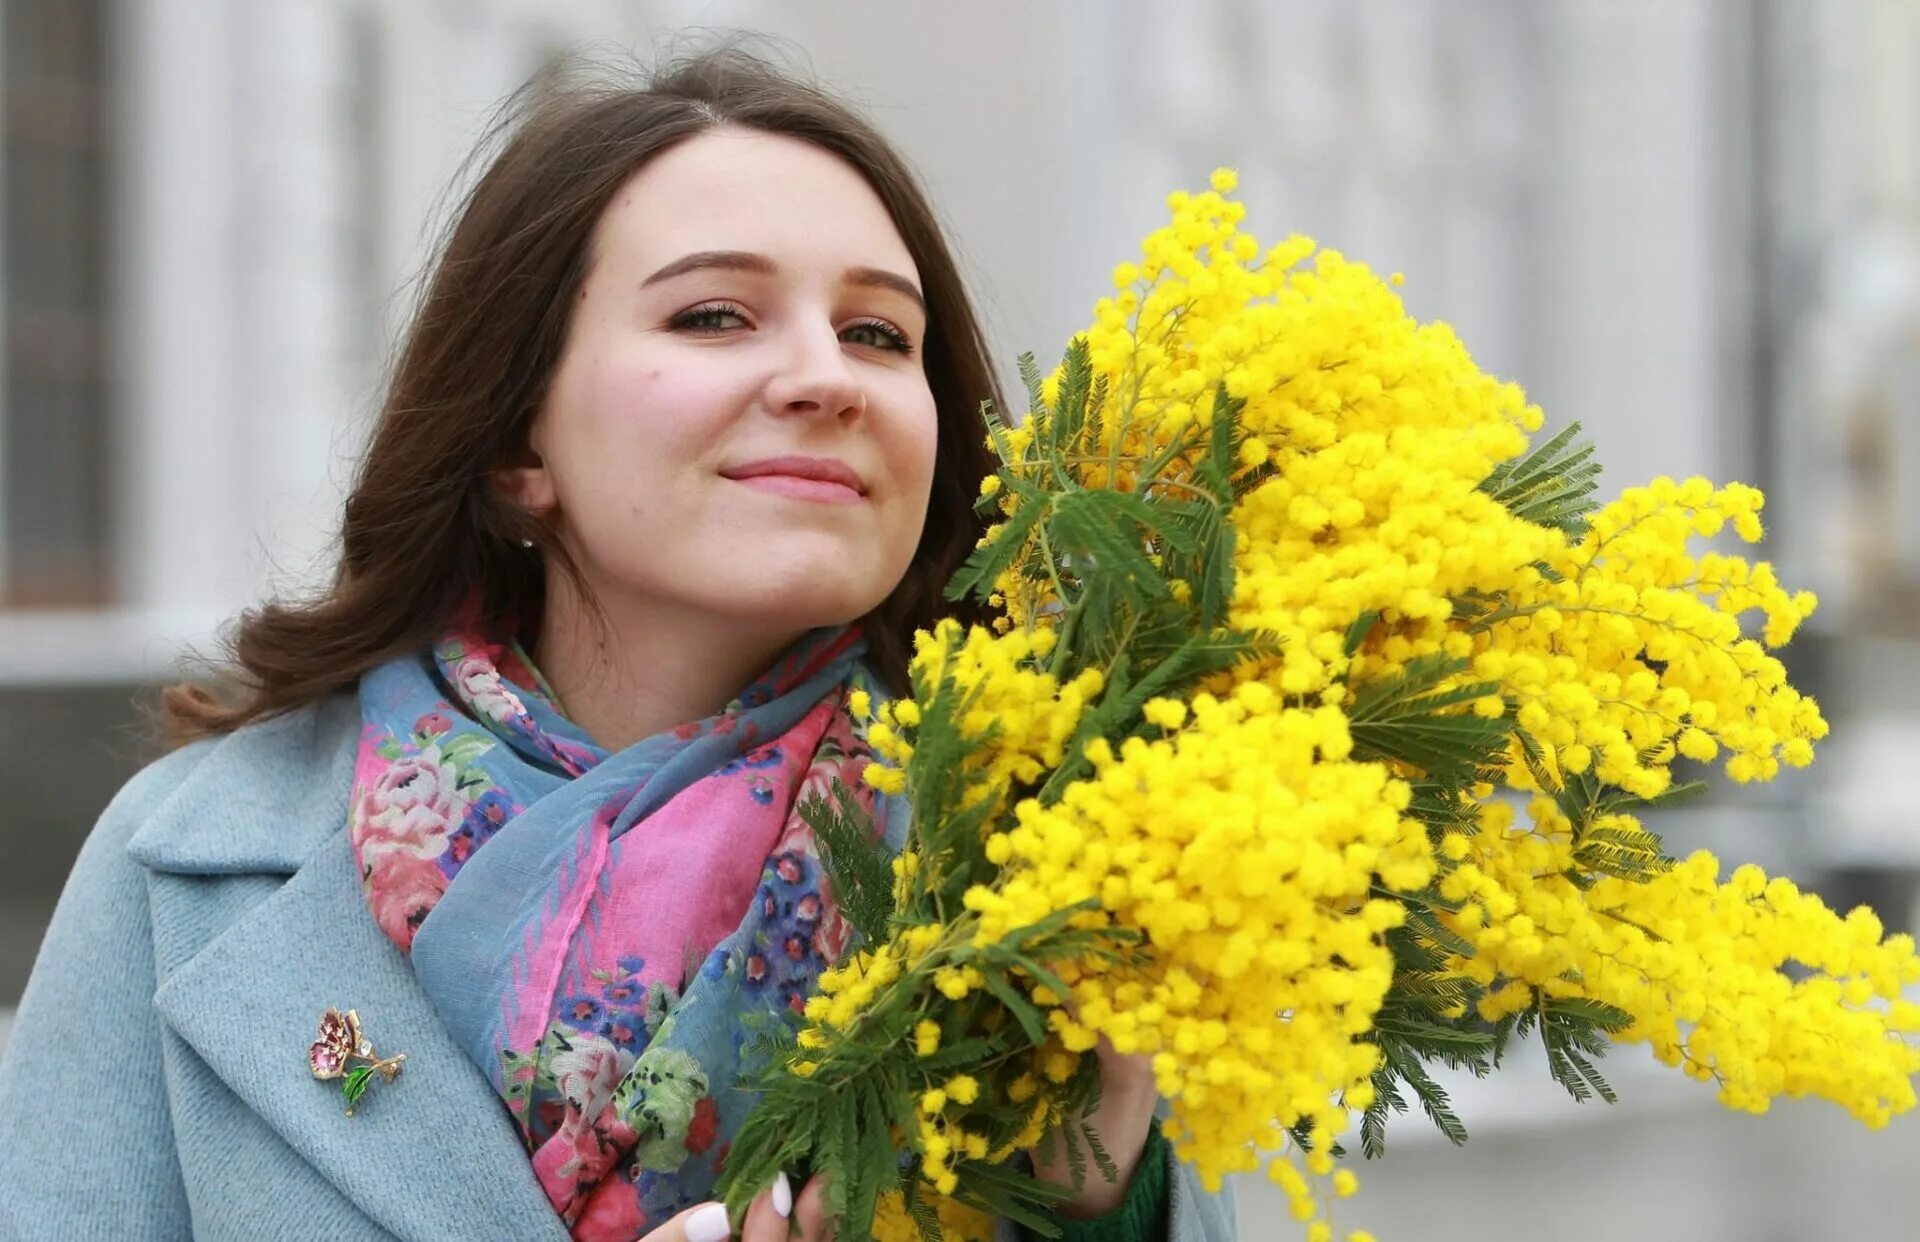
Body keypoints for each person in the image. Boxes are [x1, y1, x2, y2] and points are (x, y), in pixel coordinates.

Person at [0, 41, 1237, 1242]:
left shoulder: (1051, 877)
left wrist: (1091, 1204)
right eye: (713, 315)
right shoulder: (191, 873)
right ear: (514, 441)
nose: (828, 377)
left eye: (879, 334)